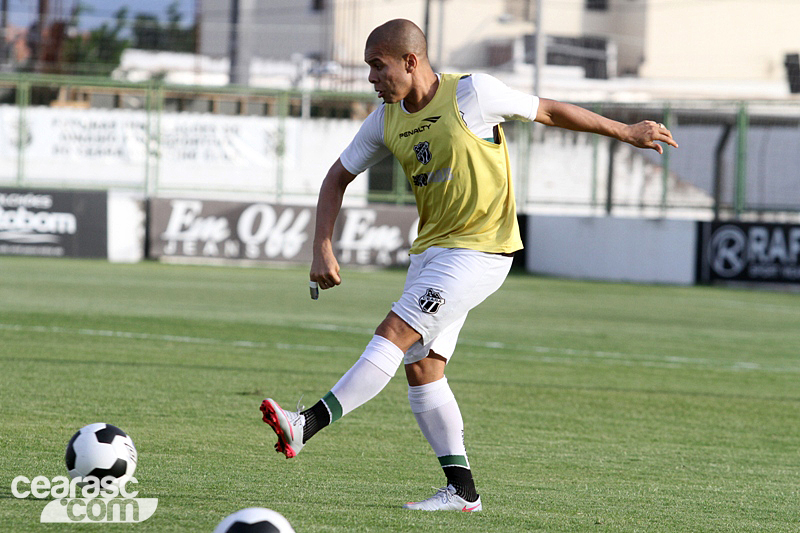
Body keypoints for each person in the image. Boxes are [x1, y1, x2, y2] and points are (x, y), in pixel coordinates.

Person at [261, 19, 678, 512]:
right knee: (424, 369)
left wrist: (625, 130)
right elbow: (337, 177)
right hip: (430, 255)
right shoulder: (384, 119)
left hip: (481, 252)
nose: (371, 78)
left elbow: (548, 110)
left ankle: (305, 424)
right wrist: (321, 247)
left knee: (396, 331)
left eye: (378, 66)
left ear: (410, 61)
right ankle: (462, 491)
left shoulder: (473, 94)